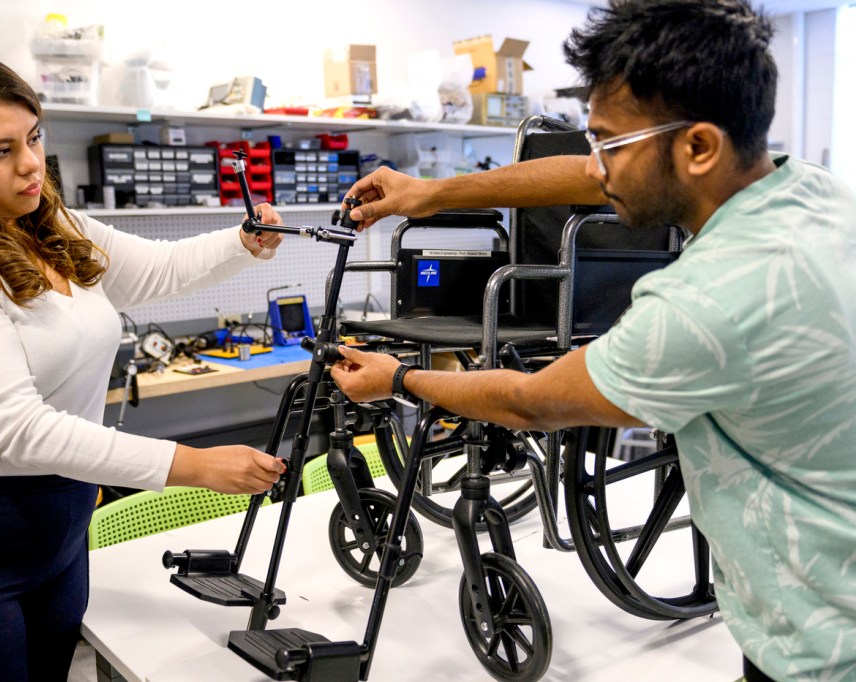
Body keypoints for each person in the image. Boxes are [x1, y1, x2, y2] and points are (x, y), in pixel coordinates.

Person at [331, 1, 856, 680]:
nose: (596, 166)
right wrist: (430, 194)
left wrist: (396, 380)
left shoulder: (704, 304)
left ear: (698, 146)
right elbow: (584, 175)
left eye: (608, 143)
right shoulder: (813, 194)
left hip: (820, 651)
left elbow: (529, 403)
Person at [0, 50, 288, 681]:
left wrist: (241, 240)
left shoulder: (43, 227)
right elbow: (20, 430)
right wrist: (194, 465)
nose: (30, 165)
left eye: (34, 136)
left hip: (51, 532)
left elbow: (159, 269)